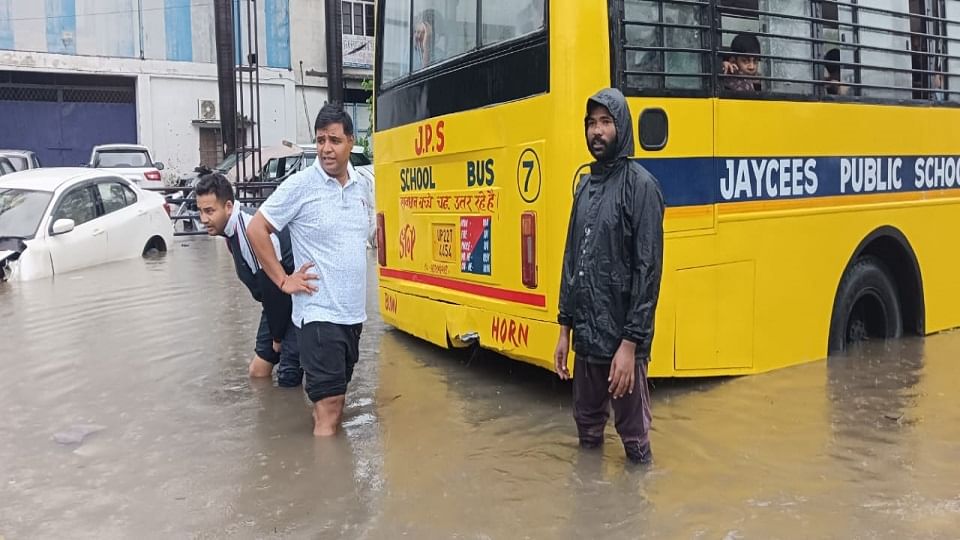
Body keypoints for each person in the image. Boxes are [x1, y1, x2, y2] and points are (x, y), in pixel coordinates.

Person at [247, 104, 373, 437]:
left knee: (334, 405)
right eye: (320, 141)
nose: (326, 149)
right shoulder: (301, 185)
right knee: (330, 411)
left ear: (351, 142)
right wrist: (283, 280)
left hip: (351, 316)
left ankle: (324, 475)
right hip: (318, 314)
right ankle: (332, 485)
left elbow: (368, 237)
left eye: (334, 140)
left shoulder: (362, 187)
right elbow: (257, 229)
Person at [554, 88, 665, 465]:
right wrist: (564, 329)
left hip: (622, 343)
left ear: (622, 127)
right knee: (587, 434)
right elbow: (572, 260)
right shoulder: (584, 186)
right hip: (585, 339)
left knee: (634, 442)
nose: (597, 131)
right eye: (591, 123)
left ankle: (636, 519)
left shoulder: (642, 187)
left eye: (605, 122)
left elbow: (648, 271)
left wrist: (631, 345)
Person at [195, 173, 303, 387]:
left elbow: (274, 286)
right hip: (275, 303)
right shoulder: (231, 230)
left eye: (209, 211)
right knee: (258, 372)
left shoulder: (249, 230)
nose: (203, 219)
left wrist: (278, 337)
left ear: (227, 206)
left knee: (288, 376)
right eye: (200, 211)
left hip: (295, 300)